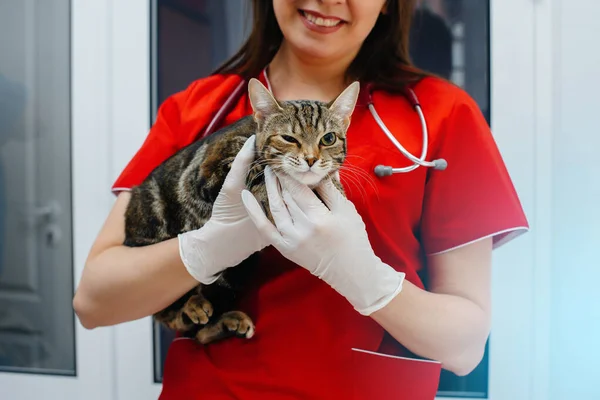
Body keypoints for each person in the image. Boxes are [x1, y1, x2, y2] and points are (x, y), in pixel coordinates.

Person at [73, 0, 529, 398]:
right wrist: (207, 248)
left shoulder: (441, 117)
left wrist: (368, 280)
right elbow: (94, 302)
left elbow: (466, 349)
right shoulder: (199, 109)